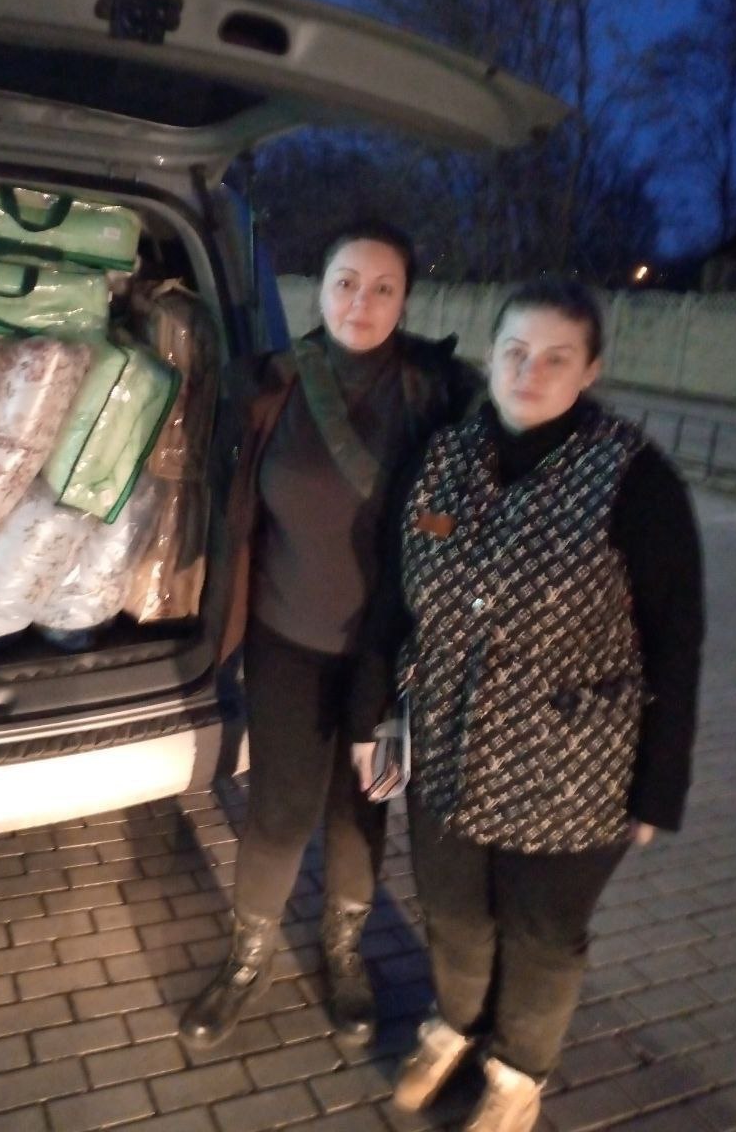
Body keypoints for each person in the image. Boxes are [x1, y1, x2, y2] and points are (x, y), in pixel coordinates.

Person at [351, 277, 704, 1131]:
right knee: (455, 915)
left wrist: (658, 789)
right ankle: (456, 1025)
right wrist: (375, 720)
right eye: (514, 352)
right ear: (491, 353)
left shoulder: (636, 480)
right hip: (448, 745)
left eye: (555, 358)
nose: (528, 373)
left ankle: (518, 1070)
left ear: (590, 370)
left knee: (542, 933)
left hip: (574, 768)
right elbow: (393, 603)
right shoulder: (441, 458)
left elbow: (677, 641)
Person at [178, 220, 481, 1049]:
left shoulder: (441, 391)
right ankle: (247, 957)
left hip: (393, 653)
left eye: (384, 288)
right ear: (320, 285)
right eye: (347, 282)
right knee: (279, 809)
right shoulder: (270, 383)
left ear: (406, 299)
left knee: (361, 807)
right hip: (286, 638)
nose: (361, 302)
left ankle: (344, 951)